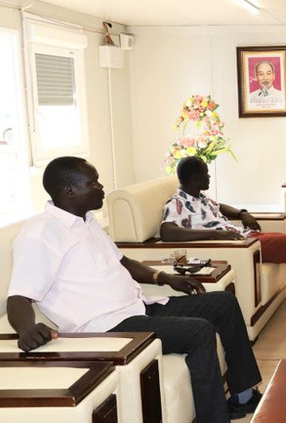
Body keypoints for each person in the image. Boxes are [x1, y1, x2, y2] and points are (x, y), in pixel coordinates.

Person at [6, 156, 261, 422]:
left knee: (223, 302)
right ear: (69, 191)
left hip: (140, 307)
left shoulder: (87, 221)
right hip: (108, 327)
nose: (102, 187)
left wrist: (163, 277)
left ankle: (243, 395)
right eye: (93, 182)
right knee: (199, 331)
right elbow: (19, 297)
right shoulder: (41, 234)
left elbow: (122, 261)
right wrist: (26, 329)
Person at [160, 156, 286, 328]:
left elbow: (220, 207)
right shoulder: (178, 202)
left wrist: (242, 213)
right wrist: (216, 235)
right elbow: (167, 231)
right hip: (241, 247)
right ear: (195, 177)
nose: (209, 175)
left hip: (248, 238)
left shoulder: (199, 197)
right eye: (206, 172)